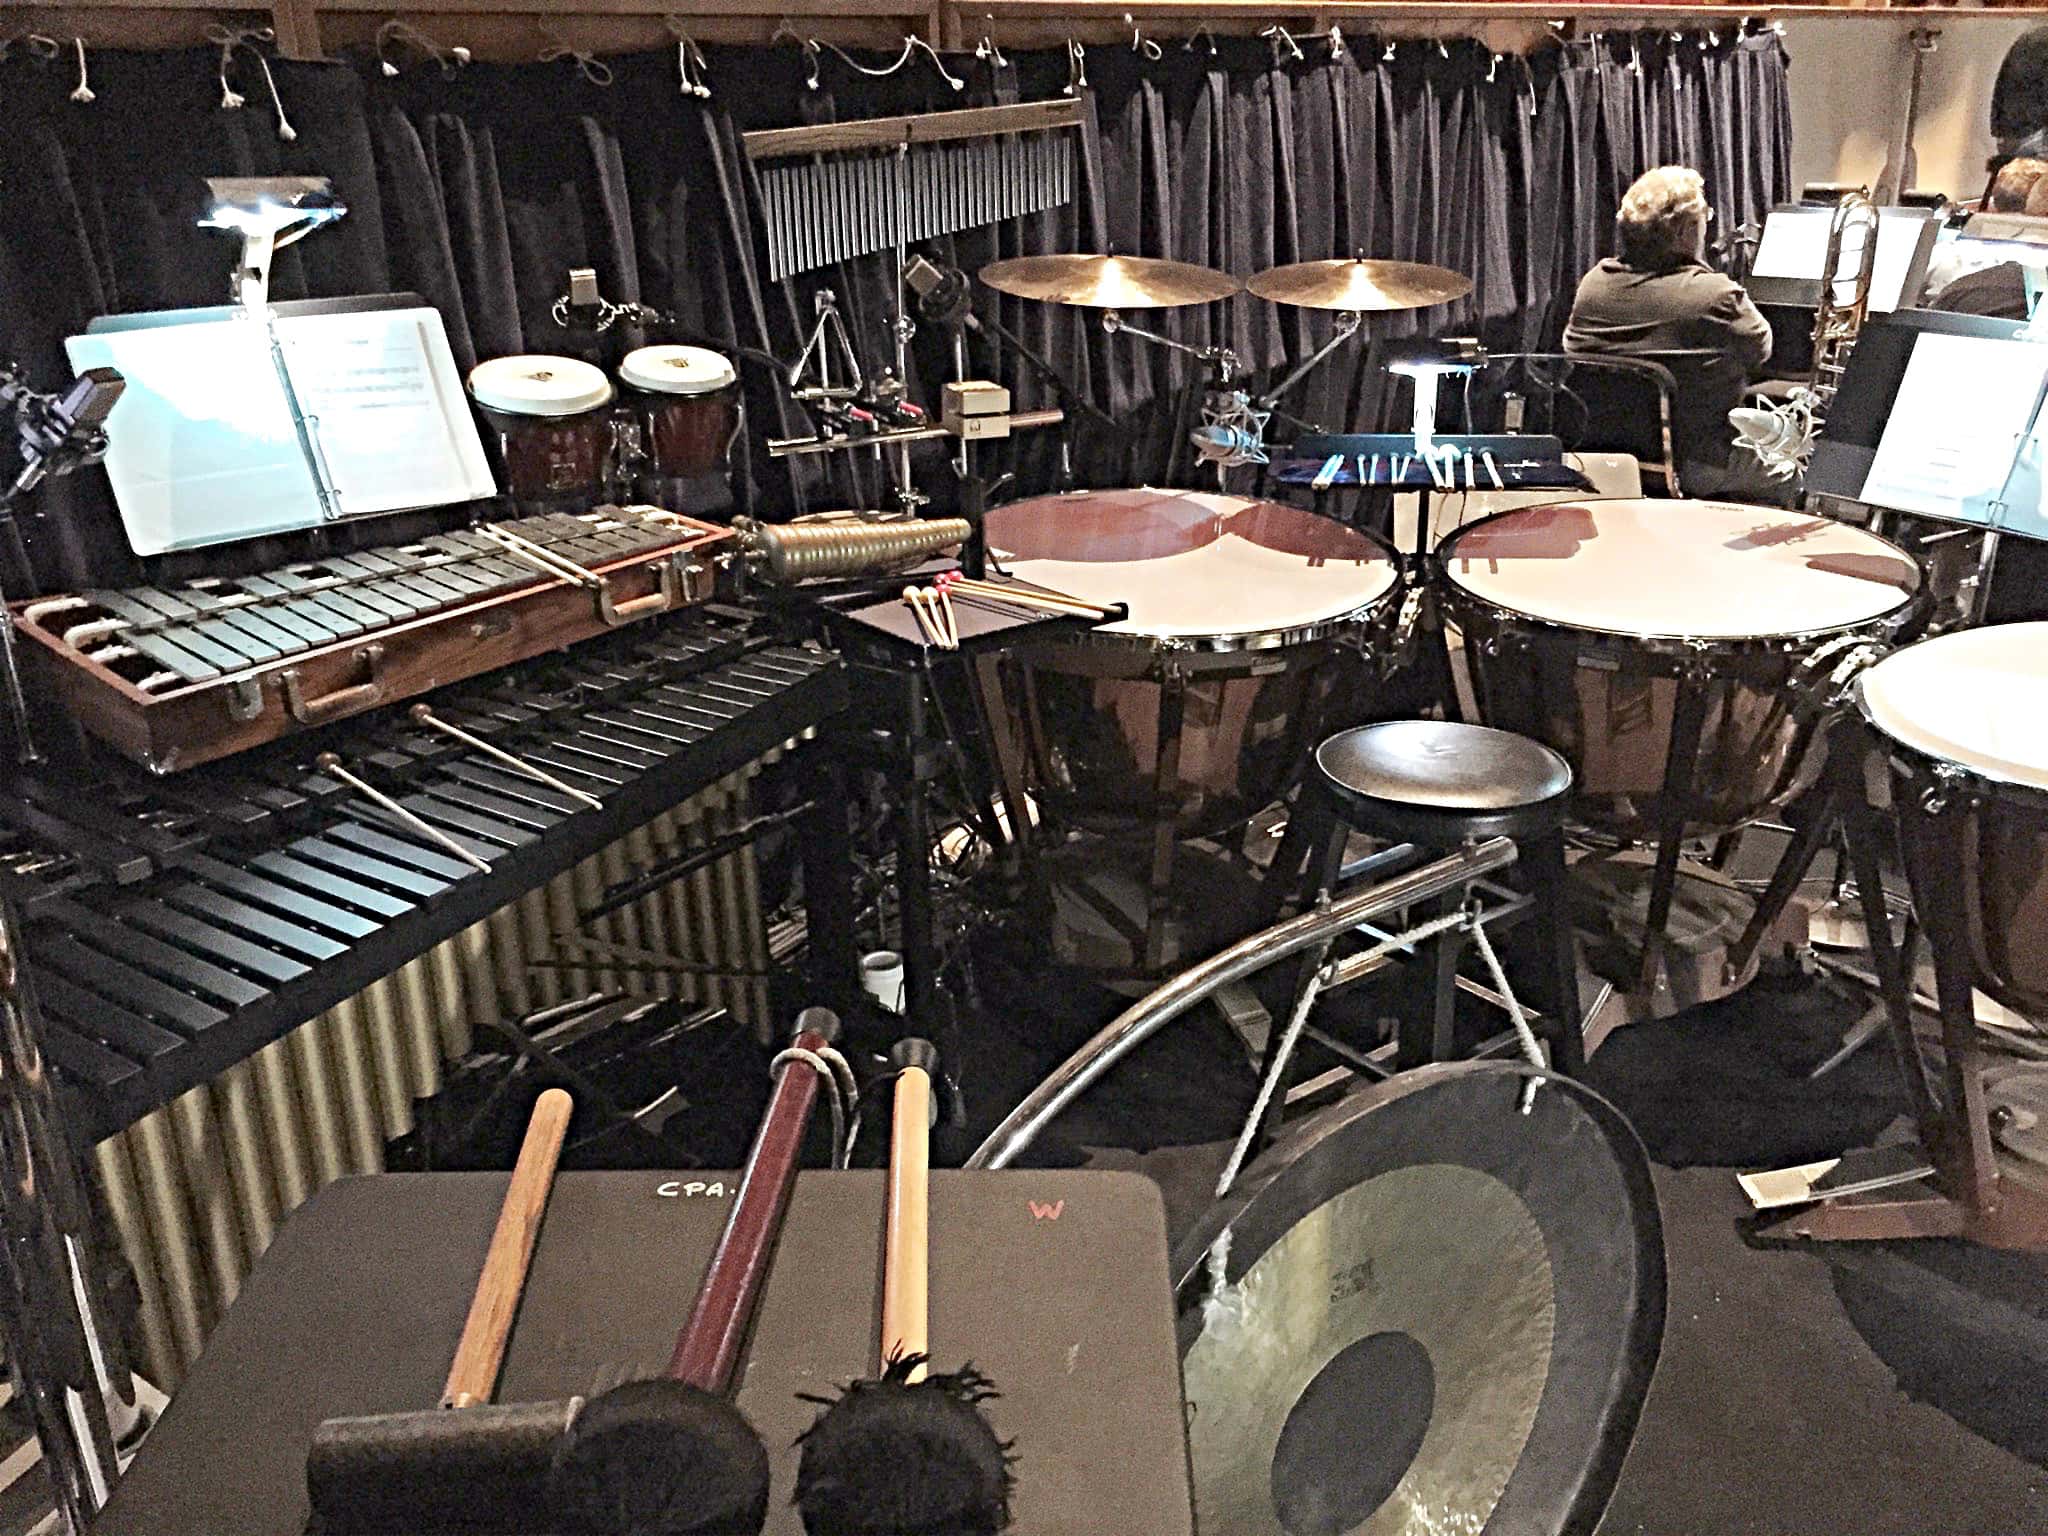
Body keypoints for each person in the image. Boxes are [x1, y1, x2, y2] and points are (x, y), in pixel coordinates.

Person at [1564, 166, 1774, 499]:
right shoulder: (1717, 296)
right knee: (1794, 467)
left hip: (1603, 464)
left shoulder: (1593, 284)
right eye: (1704, 217)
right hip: (1694, 466)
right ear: (1684, 232)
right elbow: (1761, 350)